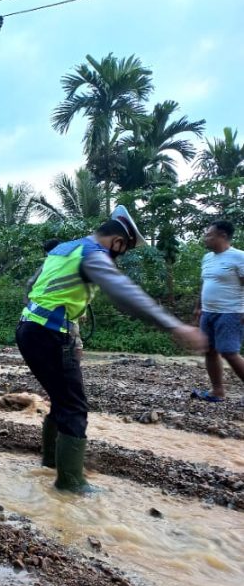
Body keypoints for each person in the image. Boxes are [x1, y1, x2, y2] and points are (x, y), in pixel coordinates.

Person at [18, 206, 206, 493]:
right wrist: (174, 326)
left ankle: (51, 464)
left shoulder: (63, 250)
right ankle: (71, 485)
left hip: (28, 328)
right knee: (73, 406)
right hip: (50, 334)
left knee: (61, 398)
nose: (120, 255)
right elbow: (123, 291)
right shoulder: (94, 254)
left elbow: (32, 285)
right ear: (118, 241)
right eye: (123, 250)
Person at [192, 220, 244, 402]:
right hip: (208, 312)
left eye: (209, 235)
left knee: (229, 352)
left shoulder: (239, 257)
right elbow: (205, 283)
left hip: (231, 312)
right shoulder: (207, 258)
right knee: (210, 351)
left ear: (222, 236)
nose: (205, 238)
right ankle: (217, 391)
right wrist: (198, 307)